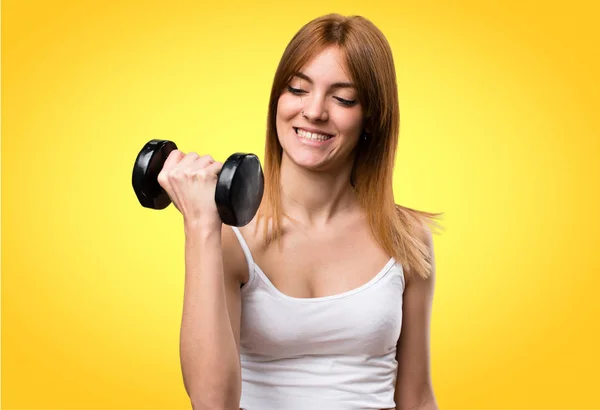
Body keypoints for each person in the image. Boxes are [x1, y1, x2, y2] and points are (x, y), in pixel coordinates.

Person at [157, 13, 442, 410]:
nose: (314, 111)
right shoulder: (229, 237)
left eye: (342, 98)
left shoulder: (407, 238)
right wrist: (201, 225)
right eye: (297, 89)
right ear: (278, 98)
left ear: (372, 118)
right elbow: (212, 403)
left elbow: (417, 397)